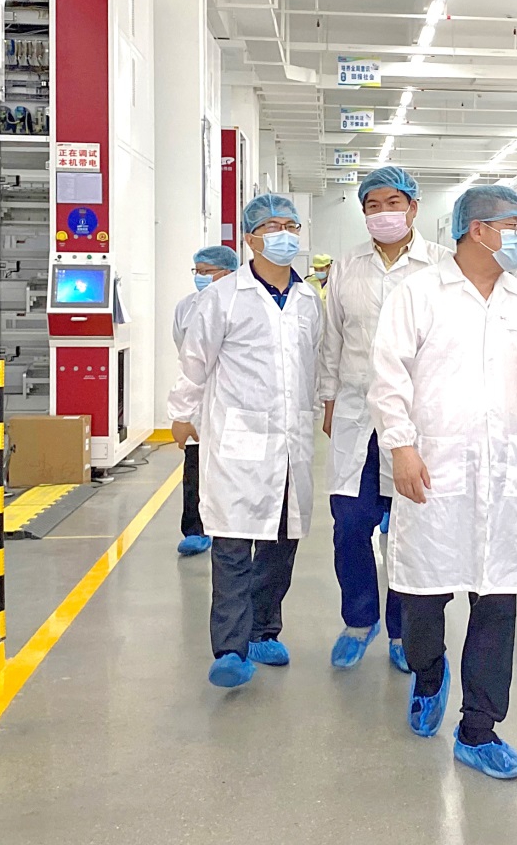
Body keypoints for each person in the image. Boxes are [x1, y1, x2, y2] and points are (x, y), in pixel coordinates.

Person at [368, 185, 517, 780]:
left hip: (500, 472)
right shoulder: (419, 293)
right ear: (478, 229)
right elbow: (388, 376)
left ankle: (479, 728)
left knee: (498, 598)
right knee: (424, 594)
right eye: (513, 224)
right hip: (434, 466)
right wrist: (401, 447)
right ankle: (429, 675)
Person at [168, 194, 323, 689]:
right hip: (239, 437)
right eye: (272, 226)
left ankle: (263, 630)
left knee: (283, 538)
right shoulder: (223, 296)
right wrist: (181, 413)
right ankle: (231, 649)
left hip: (291, 439)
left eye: (291, 225)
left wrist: (322, 407)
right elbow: (196, 360)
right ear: (251, 238)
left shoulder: (308, 300)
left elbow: (314, 363)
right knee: (233, 541)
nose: (284, 234)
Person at [319, 165, 453, 672]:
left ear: (414, 207)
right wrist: (328, 400)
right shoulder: (347, 266)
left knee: (407, 530)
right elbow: (332, 338)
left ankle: (403, 631)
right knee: (350, 525)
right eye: (372, 206)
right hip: (357, 414)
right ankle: (359, 620)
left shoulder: (440, 264)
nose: (383, 213)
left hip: (418, 418)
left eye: (393, 203)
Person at [172, 245, 239, 557]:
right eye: (196, 271)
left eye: (206, 272)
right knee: (195, 467)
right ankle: (195, 530)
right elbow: (186, 354)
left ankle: (231, 525)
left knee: (234, 469)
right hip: (200, 400)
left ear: (227, 272)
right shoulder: (186, 307)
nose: (199, 277)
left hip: (234, 399)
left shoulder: (242, 303)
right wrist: (182, 410)